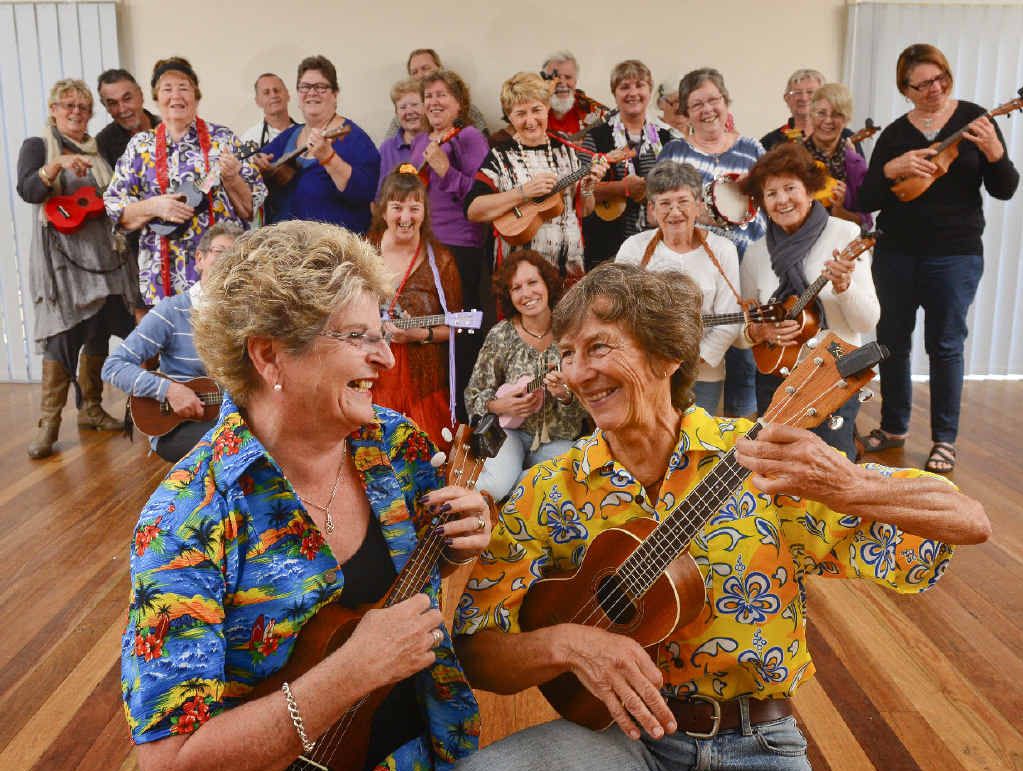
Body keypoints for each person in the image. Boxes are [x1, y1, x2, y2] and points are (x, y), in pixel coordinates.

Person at [452, 262, 990, 771]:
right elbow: (477, 650)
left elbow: (968, 520)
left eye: (599, 348)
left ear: (665, 358)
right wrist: (569, 644)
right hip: (615, 735)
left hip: (755, 740)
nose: (579, 372)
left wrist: (851, 486)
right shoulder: (549, 490)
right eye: (567, 354)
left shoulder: (761, 462)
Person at [121, 220, 491, 771]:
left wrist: (461, 539)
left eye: (381, 332)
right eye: (357, 337)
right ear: (269, 356)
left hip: (427, 748)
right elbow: (170, 760)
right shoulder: (188, 517)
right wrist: (347, 675)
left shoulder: (394, 444)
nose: (387, 359)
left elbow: (426, 560)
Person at [857, 43, 1019, 473]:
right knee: (892, 343)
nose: (934, 88)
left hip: (955, 253)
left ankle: (944, 440)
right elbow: (867, 198)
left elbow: (1005, 188)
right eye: (922, 83)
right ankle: (893, 428)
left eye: (940, 78)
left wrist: (995, 154)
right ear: (905, 89)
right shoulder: (895, 134)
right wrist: (892, 168)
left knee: (945, 345)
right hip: (895, 253)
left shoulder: (976, 119)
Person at [16, 78, 137, 459]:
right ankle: (48, 425)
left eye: (83, 107)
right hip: (64, 261)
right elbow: (29, 191)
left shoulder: (98, 149)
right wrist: (56, 165)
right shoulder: (38, 146)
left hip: (104, 257)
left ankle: (92, 409)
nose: (75, 112)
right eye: (67, 105)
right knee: (62, 334)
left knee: (100, 327)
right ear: (53, 109)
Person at [737, 142, 879, 459]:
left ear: (810, 189)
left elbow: (867, 322)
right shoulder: (757, 253)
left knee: (831, 467)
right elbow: (746, 323)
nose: (782, 200)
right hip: (775, 376)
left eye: (790, 188)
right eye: (771, 193)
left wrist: (844, 287)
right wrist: (760, 334)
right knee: (778, 467)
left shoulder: (845, 235)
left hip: (835, 375)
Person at [104, 56, 265, 307]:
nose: (176, 95)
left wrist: (232, 177)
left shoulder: (223, 139)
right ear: (156, 99)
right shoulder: (140, 146)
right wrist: (154, 207)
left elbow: (249, 208)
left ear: (196, 96)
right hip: (162, 274)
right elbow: (117, 210)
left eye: (184, 88)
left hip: (220, 270)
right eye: (167, 89)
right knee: (173, 343)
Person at [658, 67, 766, 419]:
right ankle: (694, 441)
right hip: (699, 276)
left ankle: (741, 443)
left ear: (726, 101)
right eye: (697, 103)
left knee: (746, 362)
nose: (707, 110)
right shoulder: (673, 152)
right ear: (686, 113)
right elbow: (654, 210)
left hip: (750, 268)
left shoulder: (752, 149)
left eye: (713, 100)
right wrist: (696, 215)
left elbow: (770, 202)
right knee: (700, 364)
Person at [102, 222, 242, 462]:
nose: (229, 261)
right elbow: (113, 366)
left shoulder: (248, 315)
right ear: (200, 259)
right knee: (236, 445)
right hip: (177, 425)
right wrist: (169, 390)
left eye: (238, 257)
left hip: (231, 417)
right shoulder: (172, 311)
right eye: (220, 252)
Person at [615, 160, 740, 414]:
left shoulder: (723, 250)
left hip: (703, 376)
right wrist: (652, 364)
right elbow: (618, 312)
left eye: (683, 202)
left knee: (695, 446)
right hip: (644, 372)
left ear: (698, 206)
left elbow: (731, 322)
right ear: (652, 209)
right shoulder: (633, 248)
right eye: (664, 203)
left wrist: (686, 364)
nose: (675, 212)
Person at [464, 250, 587, 501]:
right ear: (509, 296)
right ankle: (520, 484)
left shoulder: (570, 333)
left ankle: (519, 484)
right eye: (516, 288)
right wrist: (500, 405)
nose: (527, 293)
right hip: (508, 433)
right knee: (493, 489)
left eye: (533, 282)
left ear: (547, 284)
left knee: (568, 487)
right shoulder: (501, 335)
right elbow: (473, 393)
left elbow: (588, 401)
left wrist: (565, 395)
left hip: (558, 437)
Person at [465, 72, 608, 279]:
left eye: (536, 110)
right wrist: (523, 192)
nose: (530, 120)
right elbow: (473, 211)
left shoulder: (567, 151)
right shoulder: (500, 156)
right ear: (510, 116)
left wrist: (588, 188)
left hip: (569, 269)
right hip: (520, 280)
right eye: (520, 113)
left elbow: (584, 210)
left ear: (547, 108)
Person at [369, 169, 464, 446]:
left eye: (414, 208)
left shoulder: (442, 261)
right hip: (371, 377)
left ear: (425, 212)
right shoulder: (363, 251)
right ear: (383, 211)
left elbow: (458, 327)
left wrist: (421, 335)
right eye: (397, 208)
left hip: (422, 385)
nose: (406, 218)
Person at [256, 55, 380, 234]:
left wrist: (330, 159)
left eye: (320, 87)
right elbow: (261, 160)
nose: (312, 93)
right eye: (305, 87)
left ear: (335, 94)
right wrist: (261, 165)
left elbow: (365, 192)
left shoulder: (355, 139)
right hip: (285, 249)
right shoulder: (290, 135)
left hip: (332, 251)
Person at [582, 60, 673, 269]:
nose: (633, 93)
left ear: (649, 90)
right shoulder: (596, 137)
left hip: (657, 243)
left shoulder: (666, 138)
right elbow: (582, 190)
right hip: (606, 245)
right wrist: (622, 189)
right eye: (624, 87)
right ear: (614, 93)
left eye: (639, 85)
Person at [803, 83, 872, 229]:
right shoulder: (794, 158)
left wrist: (839, 211)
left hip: (840, 247)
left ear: (846, 120)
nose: (828, 120)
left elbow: (866, 223)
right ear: (811, 115)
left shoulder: (855, 163)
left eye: (837, 114)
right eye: (821, 113)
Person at [384, 49, 489, 138]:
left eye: (425, 68)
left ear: (440, 69)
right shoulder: (403, 116)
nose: (420, 75)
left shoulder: (468, 109)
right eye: (414, 72)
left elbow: (485, 144)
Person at [95, 68, 160, 168]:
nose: (122, 109)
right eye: (113, 103)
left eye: (127, 99)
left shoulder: (168, 128)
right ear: (106, 107)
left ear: (141, 95)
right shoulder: (103, 145)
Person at [377, 78, 426, 192]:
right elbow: (379, 196)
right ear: (396, 113)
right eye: (403, 107)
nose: (409, 111)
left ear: (425, 107)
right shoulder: (386, 149)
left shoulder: (438, 143)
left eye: (414, 105)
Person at [542, 51, 606, 136]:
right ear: (544, 81)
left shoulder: (595, 112)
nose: (562, 83)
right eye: (555, 77)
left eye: (568, 77)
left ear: (575, 81)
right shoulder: (531, 111)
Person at [759, 69, 825, 151]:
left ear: (824, 98)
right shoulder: (770, 142)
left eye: (810, 92)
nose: (804, 98)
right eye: (797, 92)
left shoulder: (841, 137)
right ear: (787, 99)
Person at [239, 73, 297, 148]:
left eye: (277, 90)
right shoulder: (250, 139)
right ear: (258, 101)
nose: (273, 95)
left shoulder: (306, 131)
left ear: (288, 95)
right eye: (266, 93)